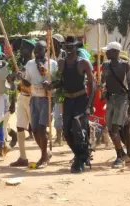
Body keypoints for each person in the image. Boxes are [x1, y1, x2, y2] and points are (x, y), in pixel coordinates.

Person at [46, 36, 95, 173]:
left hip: (80, 99)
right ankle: (80, 154)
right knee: (67, 131)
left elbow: (92, 84)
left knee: (78, 127)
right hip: (68, 100)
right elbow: (62, 82)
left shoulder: (83, 63)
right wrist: (52, 85)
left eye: (71, 47)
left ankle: (80, 159)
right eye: (66, 47)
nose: (69, 50)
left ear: (76, 47)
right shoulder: (61, 63)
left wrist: (90, 103)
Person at [21, 40, 57, 168]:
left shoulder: (52, 64)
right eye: (35, 50)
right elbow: (27, 83)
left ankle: (43, 158)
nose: (36, 53)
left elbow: (57, 82)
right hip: (34, 98)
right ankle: (46, 152)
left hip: (47, 99)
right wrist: (21, 77)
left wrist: (51, 86)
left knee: (42, 129)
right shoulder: (30, 64)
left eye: (39, 50)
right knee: (35, 130)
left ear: (46, 50)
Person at [101, 42, 130, 168]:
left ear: (115, 52)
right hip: (110, 99)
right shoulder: (105, 65)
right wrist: (103, 88)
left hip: (122, 99)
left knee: (115, 130)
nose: (106, 53)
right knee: (111, 130)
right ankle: (122, 153)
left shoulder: (125, 65)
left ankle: (120, 157)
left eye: (108, 51)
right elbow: (103, 81)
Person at [10, 39, 36, 167]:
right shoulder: (23, 63)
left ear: (30, 50)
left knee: (36, 129)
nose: (21, 50)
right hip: (21, 97)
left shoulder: (34, 65)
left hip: (32, 98)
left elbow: (31, 84)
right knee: (20, 126)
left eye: (24, 48)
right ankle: (23, 157)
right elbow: (18, 79)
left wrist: (22, 78)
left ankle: (46, 153)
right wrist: (13, 77)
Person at [52, 34, 66, 147]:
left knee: (60, 113)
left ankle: (61, 137)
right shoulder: (48, 54)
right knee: (56, 113)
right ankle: (58, 137)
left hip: (63, 88)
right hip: (51, 87)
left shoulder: (63, 54)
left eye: (54, 41)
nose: (51, 43)